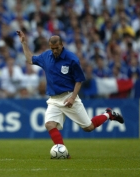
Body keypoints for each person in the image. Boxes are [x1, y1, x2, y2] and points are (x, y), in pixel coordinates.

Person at [16, 30, 124, 159]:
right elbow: (30, 59)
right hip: (54, 99)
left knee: (88, 127)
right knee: (49, 124)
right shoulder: (46, 56)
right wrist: (24, 43)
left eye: (56, 48)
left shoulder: (71, 59)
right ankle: (63, 153)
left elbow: (79, 80)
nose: (54, 51)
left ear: (62, 45)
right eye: (52, 48)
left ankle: (109, 114)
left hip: (69, 96)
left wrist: (73, 97)